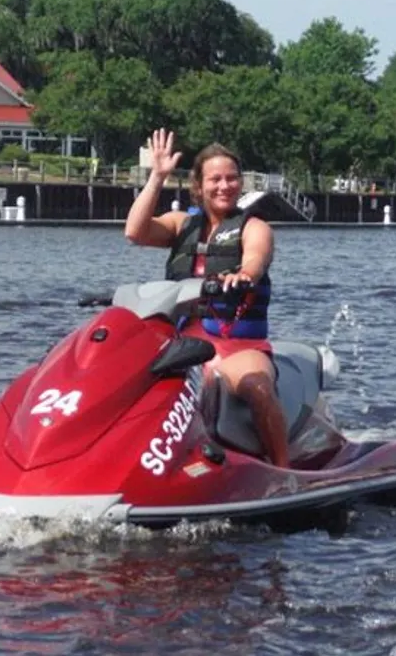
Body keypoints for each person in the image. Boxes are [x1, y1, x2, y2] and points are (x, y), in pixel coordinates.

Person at [124, 128, 290, 468]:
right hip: (182, 344)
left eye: (232, 178)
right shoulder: (180, 224)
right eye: (215, 179)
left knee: (257, 388)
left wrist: (243, 276)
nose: (225, 186)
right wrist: (157, 177)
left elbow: (256, 259)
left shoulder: (253, 227)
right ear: (198, 186)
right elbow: (134, 232)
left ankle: (283, 470)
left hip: (237, 346)